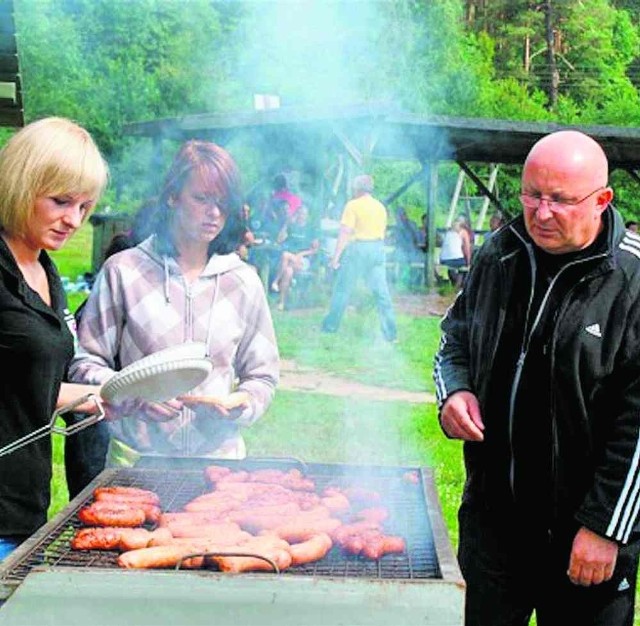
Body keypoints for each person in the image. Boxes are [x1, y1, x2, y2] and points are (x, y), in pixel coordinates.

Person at [433, 129, 640, 626]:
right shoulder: (499, 253)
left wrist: (605, 528)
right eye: (532, 195)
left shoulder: (631, 280)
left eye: (561, 200)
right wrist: (455, 390)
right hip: (493, 526)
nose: (541, 213)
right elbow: (453, 337)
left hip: (585, 536)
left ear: (602, 200)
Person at [69, 140, 279, 466]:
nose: (214, 212)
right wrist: (130, 396)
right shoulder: (123, 271)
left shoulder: (244, 281)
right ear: (172, 196)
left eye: (223, 203)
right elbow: (84, 366)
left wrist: (239, 405)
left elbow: (262, 376)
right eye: (201, 198)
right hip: (135, 464)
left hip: (220, 465)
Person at [0, 117, 108, 559]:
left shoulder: (44, 268)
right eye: (61, 201)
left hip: (26, 507)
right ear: (22, 185)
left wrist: (94, 394)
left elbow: (23, 386)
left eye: (84, 207)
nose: (73, 220)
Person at [63, 198, 159, 499]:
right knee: (93, 503)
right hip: (96, 431)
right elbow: (78, 366)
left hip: (106, 420)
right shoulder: (121, 277)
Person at [321, 174, 397, 342]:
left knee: (343, 289)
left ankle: (330, 326)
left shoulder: (353, 205)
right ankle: (391, 333)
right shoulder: (380, 207)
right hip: (377, 249)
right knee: (381, 293)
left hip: (359, 249)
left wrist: (336, 257)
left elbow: (345, 232)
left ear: (357, 189)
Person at [271, 205, 320, 311]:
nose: (302, 216)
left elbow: (315, 250)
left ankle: (276, 281)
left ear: (307, 216)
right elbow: (279, 240)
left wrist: (302, 254)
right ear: (297, 214)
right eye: (300, 213)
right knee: (288, 271)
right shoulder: (291, 227)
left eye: (304, 214)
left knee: (285, 255)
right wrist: (286, 224)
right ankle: (282, 303)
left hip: (303, 261)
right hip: (290, 261)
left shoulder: (311, 229)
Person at [393, 206, 424, 288]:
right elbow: (396, 239)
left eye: (399, 216)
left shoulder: (412, 225)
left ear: (404, 215)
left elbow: (418, 239)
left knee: (415, 261)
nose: (397, 218)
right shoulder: (398, 227)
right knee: (398, 257)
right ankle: (400, 281)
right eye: (397, 216)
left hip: (413, 251)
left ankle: (413, 282)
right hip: (403, 251)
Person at [439, 216, 472, 287]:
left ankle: (454, 285)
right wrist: (468, 262)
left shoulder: (448, 231)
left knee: (452, 267)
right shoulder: (463, 232)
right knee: (463, 266)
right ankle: (458, 286)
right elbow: (467, 249)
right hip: (455, 259)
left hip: (443, 259)